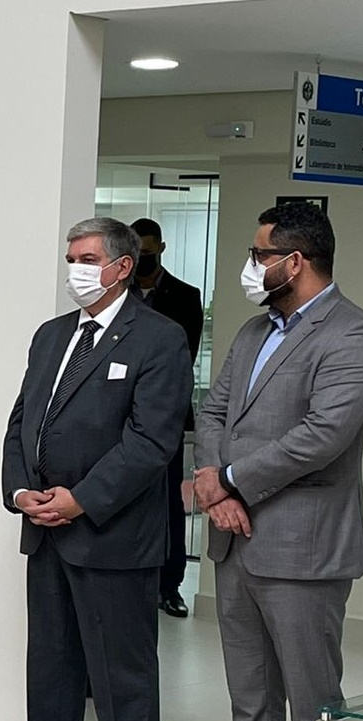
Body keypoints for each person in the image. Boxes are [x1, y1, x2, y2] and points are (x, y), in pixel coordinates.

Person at [167, 201, 363, 721]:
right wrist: (215, 486)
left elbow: (322, 437)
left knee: (312, 707)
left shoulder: (357, 337)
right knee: (250, 696)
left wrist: (229, 480)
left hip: (303, 551)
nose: (252, 265)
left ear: (295, 260)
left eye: (260, 254)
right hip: (238, 544)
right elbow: (214, 409)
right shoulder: (251, 329)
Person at [0, 217, 191, 721]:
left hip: (112, 534)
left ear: (122, 266)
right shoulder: (51, 337)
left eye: (86, 257)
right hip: (44, 527)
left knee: (120, 670)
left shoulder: (159, 339)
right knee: (50, 662)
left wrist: (79, 499)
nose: (74, 267)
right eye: (70, 256)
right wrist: (21, 490)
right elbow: (24, 422)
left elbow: (152, 441)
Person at [130, 218, 204, 618]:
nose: (142, 257)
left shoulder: (185, 296)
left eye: (148, 250)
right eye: (136, 250)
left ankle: (170, 584)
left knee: (170, 499)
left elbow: (182, 361)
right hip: (119, 417)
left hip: (168, 417)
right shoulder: (117, 294)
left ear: (161, 247)